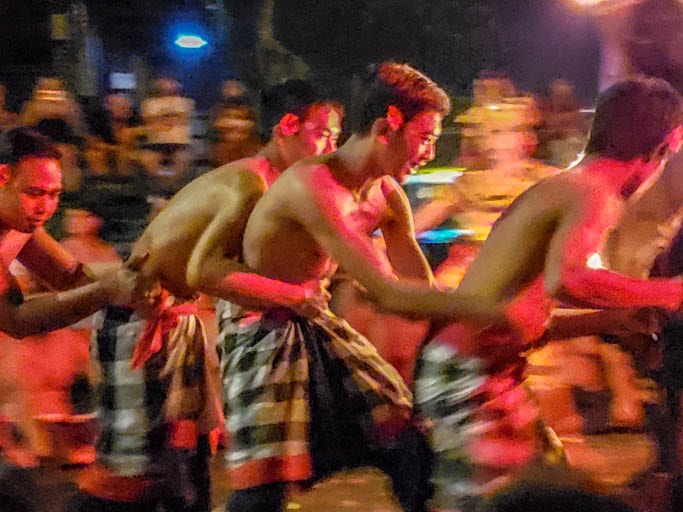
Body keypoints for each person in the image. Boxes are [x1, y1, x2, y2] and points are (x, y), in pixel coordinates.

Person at [233, 61, 512, 512]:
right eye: (425, 139)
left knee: (406, 444)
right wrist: (491, 309)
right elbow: (386, 293)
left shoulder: (386, 196)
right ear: (388, 125)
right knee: (262, 490)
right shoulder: (314, 186)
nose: (428, 154)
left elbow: (419, 289)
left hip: (318, 321)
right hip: (262, 328)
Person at [67, 79, 343, 512]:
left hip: (180, 319)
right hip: (141, 317)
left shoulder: (275, 187)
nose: (331, 148)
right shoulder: (252, 185)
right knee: (131, 478)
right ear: (288, 126)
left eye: (335, 137)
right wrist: (293, 295)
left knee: (188, 467)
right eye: (323, 134)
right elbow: (206, 270)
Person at [413, 76, 683, 511]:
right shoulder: (593, 194)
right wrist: (667, 292)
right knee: (506, 504)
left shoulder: (565, 186)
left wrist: (606, 319)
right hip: (470, 377)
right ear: (661, 149)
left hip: (482, 373)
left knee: (547, 489)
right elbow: (569, 279)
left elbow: (526, 317)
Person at [0, 127, 140, 511]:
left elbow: (71, 276)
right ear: (2, 176)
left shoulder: (20, 223)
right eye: (35, 193)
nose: (45, 206)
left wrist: (146, 279)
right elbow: (16, 318)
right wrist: (111, 290)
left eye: (54, 195)